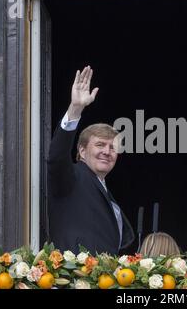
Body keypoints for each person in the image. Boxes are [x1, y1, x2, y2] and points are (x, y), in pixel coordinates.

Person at [47, 65, 135, 255]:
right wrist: (75, 109)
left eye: (112, 148)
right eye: (100, 145)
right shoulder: (72, 177)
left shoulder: (103, 187)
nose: (107, 151)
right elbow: (56, 156)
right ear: (82, 150)